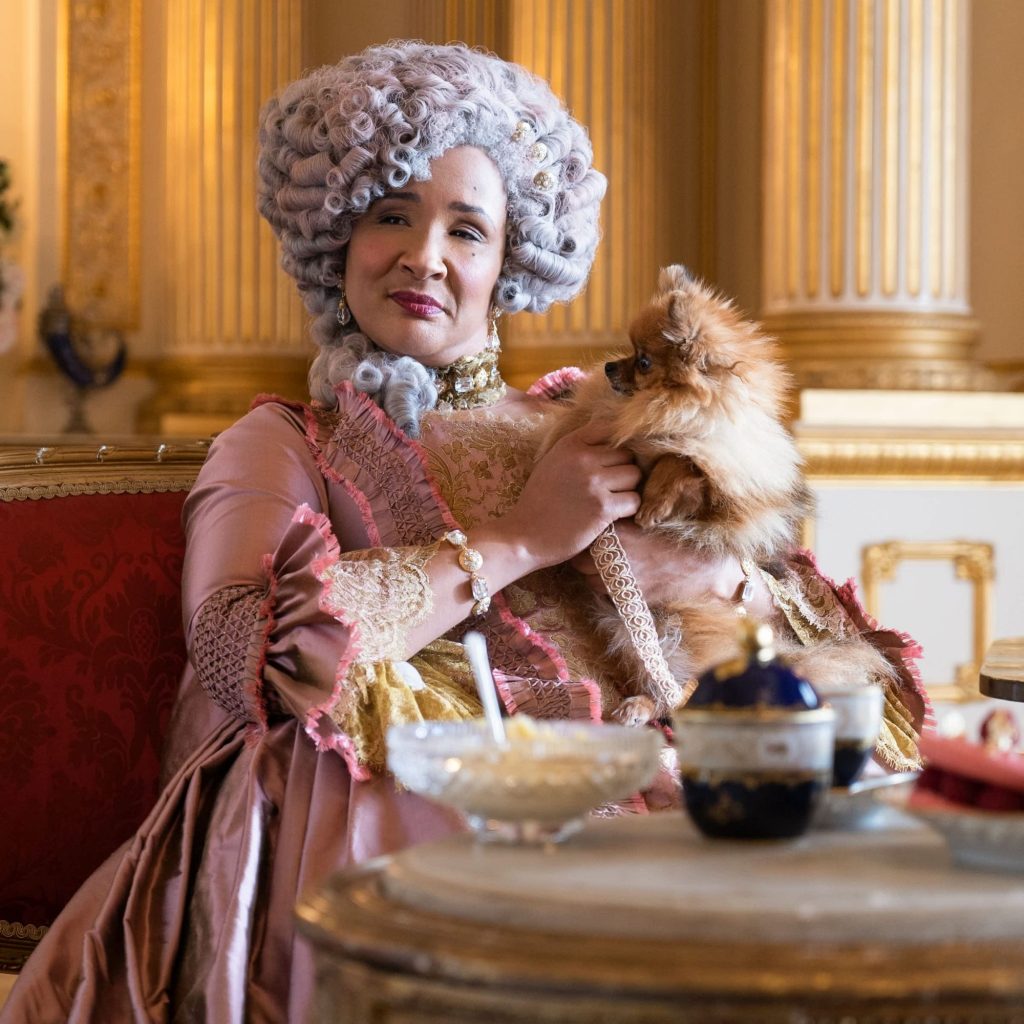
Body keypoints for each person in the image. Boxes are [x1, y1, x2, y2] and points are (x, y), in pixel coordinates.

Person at [2, 40, 927, 1023]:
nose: (425, 255)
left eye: (467, 229)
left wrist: (710, 582)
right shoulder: (283, 443)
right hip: (422, 820)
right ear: (338, 233)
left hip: (654, 783)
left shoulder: (585, 415)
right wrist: (522, 540)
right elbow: (246, 661)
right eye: (392, 214)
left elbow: (811, 635)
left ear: (507, 260)